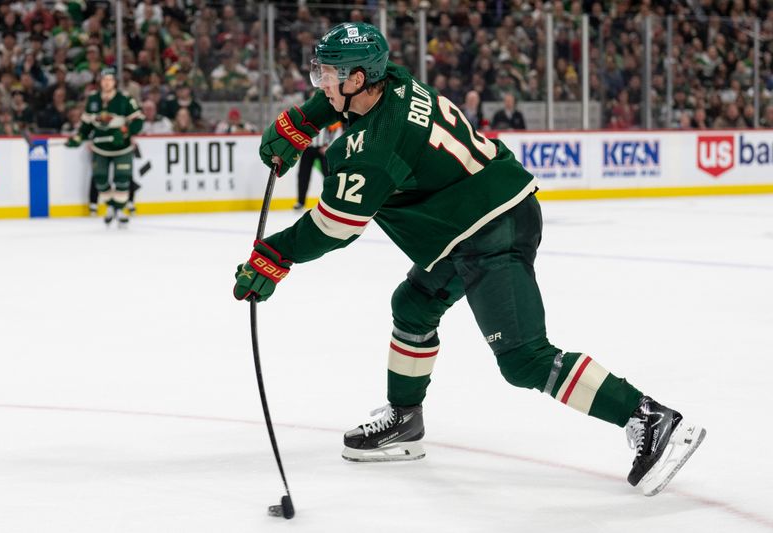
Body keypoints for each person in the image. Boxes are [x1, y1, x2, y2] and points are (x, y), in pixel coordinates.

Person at [234, 22, 706, 497]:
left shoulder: (375, 149)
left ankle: (650, 417)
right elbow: (342, 106)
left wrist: (273, 256)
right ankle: (405, 420)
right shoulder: (392, 79)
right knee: (414, 305)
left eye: (331, 73)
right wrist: (305, 120)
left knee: (524, 359)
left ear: (358, 79)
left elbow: (334, 227)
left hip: (490, 228)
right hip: (469, 219)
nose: (321, 81)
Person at [66, 67, 144, 227]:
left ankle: (121, 211)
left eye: (110, 79)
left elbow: (138, 120)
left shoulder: (125, 99)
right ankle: (111, 206)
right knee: (100, 179)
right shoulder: (93, 100)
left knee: (122, 179)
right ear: (100, 82)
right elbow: (87, 124)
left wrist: (124, 132)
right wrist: (78, 137)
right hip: (100, 147)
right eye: (104, 79)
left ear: (115, 82)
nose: (107, 83)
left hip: (121, 147)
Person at [293, 119, 343, 210]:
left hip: (324, 148)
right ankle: (300, 202)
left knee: (328, 175)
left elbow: (337, 130)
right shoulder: (306, 113)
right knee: (303, 175)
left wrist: (329, 146)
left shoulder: (329, 113)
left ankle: (332, 201)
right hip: (307, 149)